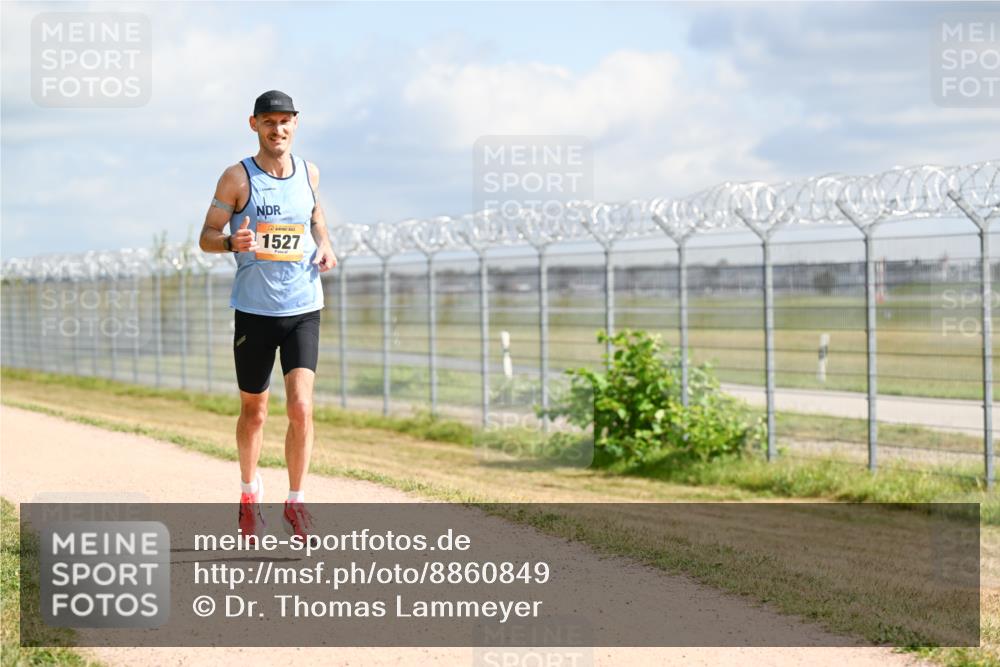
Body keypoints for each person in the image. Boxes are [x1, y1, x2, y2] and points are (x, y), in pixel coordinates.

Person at [199, 90, 336, 539]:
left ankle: (295, 504)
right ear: (254, 124)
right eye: (269, 122)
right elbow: (206, 235)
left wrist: (326, 244)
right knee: (255, 412)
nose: (278, 130)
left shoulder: (309, 172)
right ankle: (248, 493)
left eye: (285, 121)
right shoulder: (237, 178)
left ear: (296, 123)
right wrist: (228, 244)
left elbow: (315, 216)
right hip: (256, 312)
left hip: (303, 307)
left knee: (301, 407)